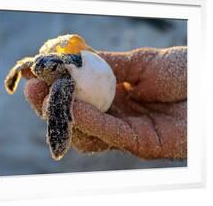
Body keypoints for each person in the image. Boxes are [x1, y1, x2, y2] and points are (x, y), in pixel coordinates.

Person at [23, 46, 187, 160]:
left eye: (48, 70)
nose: (40, 74)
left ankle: (59, 142)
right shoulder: (51, 63)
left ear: (57, 67)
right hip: (102, 86)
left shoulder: (65, 81)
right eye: (37, 69)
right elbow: (36, 64)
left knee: (57, 104)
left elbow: (59, 93)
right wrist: (20, 71)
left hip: (100, 90)